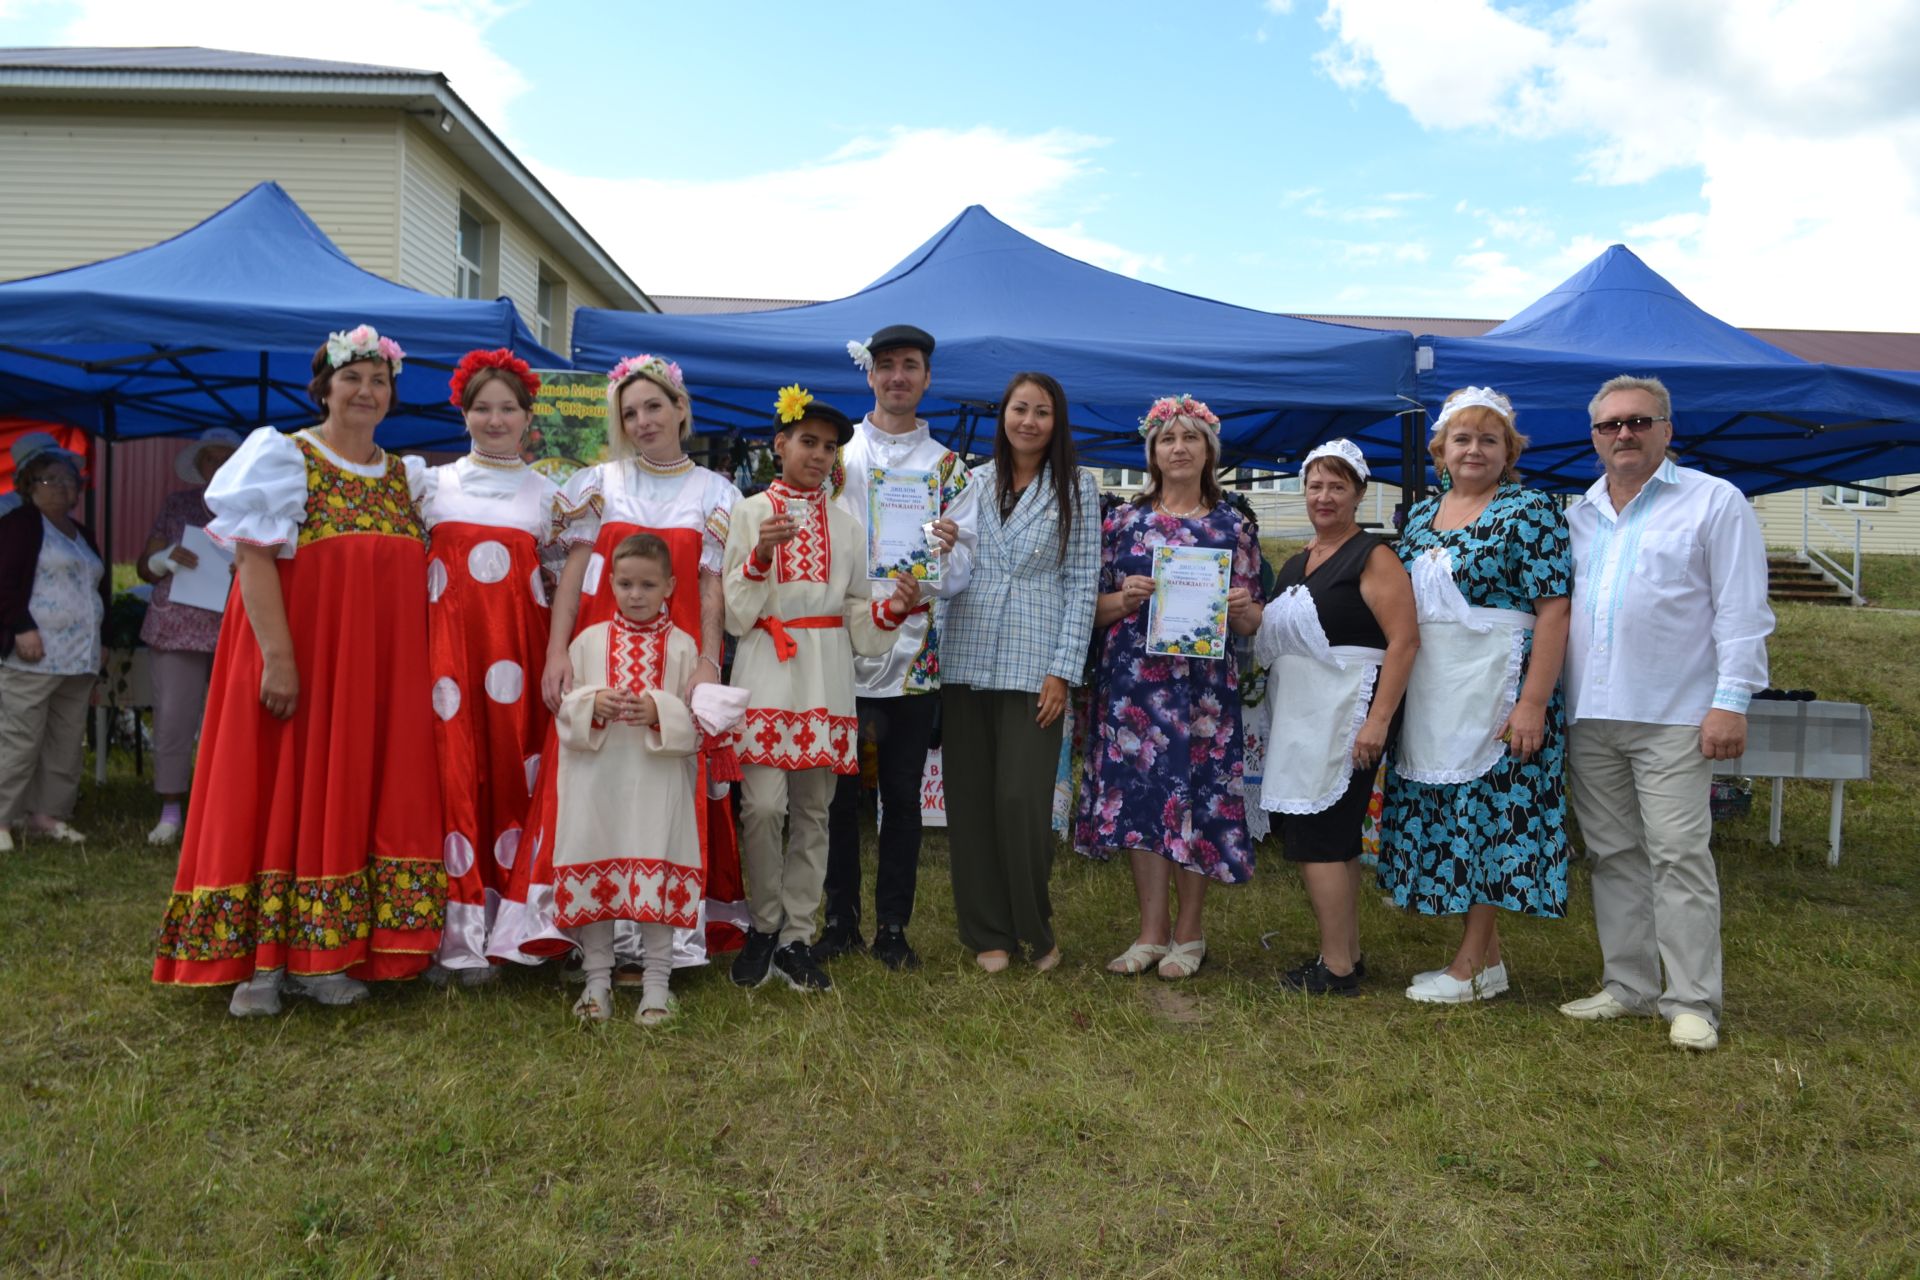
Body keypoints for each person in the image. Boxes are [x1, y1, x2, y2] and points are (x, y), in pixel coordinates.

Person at [153, 324, 446, 1015]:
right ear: (325, 388)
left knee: (350, 796)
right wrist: (280, 661)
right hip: (296, 663)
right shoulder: (286, 458)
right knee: (278, 794)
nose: (365, 392)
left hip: (374, 678)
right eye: (352, 379)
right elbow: (253, 562)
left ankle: (329, 953)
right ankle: (262, 963)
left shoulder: (408, 479)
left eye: (379, 382)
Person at [489, 354, 743, 976]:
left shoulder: (716, 493)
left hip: (673, 664)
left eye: (654, 406)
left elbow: (711, 586)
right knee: (590, 785)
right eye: (629, 413)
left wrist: (708, 663)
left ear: (681, 408)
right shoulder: (600, 483)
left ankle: (656, 938)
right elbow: (571, 579)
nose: (643, 421)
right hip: (600, 663)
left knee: (662, 788)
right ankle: (583, 933)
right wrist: (556, 653)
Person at [1558, 375, 1772, 1053]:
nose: (1625, 434)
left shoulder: (1714, 503)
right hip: (1591, 713)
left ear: (1667, 429)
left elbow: (1742, 614)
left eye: (1639, 422)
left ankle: (1691, 1001)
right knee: (1614, 855)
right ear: (1593, 437)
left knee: (1678, 855)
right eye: (1610, 425)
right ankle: (1629, 986)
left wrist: (1730, 703)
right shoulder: (1577, 515)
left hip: (1677, 712)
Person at [724, 386, 921, 994]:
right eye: (808, 441)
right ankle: (762, 923)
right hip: (766, 668)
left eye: (831, 447)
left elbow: (859, 623)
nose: (820, 455)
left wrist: (892, 609)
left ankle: (796, 938)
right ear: (779, 444)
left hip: (828, 676)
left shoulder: (848, 524)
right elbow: (734, 613)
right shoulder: (749, 511)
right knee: (761, 808)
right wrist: (760, 556)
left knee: (815, 811)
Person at [1379, 388, 1573, 1003]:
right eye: (1462, 438)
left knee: (1487, 819)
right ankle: (1487, 965)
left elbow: (1554, 609)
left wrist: (1534, 702)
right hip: (1439, 687)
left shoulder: (1530, 509)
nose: (1475, 449)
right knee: (1454, 816)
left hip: (1500, 685)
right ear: (1440, 450)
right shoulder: (1417, 518)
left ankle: (1467, 969)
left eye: (1490, 440)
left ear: (1509, 452)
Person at [1077, 395, 1263, 980]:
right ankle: (1151, 932)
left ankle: (1190, 934)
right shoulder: (1121, 523)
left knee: (1201, 802)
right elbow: (1091, 611)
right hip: (1135, 688)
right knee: (1142, 803)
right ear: (1151, 452)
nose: (1178, 448)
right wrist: (1123, 598)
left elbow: (1255, 619)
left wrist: (1239, 609)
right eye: (1166, 439)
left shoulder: (1233, 527)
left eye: (1190, 438)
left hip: (1203, 692)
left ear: (1209, 451)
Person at [821, 324, 978, 971]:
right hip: (838, 652)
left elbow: (966, 568)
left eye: (909, 366)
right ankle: (837, 921)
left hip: (914, 658)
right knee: (835, 796)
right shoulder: (838, 458)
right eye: (886, 365)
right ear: (870, 376)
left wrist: (942, 555)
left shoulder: (949, 468)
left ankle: (892, 926)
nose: (897, 377)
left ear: (927, 378)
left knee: (904, 796)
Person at [940, 372, 1099, 972]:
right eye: (1018, 409)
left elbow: (1083, 585)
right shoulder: (971, 480)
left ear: (1057, 422)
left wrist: (1063, 671)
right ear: (1002, 414)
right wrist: (944, 543)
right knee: (973, 800)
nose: (1028, 421)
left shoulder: (1078, 486)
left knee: (1020, 801)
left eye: (1042, 411)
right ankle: (988, 933)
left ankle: (1036, 928)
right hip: (968, 651)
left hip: (1036, 661)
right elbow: (947, 561)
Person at [1256, 440, 1418, 996]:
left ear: (1359, 494)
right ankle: (1344, 955)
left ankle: (1337, 969)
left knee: (1319, 837)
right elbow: (1273, 629)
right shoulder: (1300, 561)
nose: (1324, 497)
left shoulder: (1372, 556)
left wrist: (1377, 721)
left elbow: (1404, 641)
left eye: (1337, 486)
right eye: (1315, 486)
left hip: (1347, 712)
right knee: (1336, 838)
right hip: (1305, 716)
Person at [419, 350, 560, 984]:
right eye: (482, 407)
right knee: (451, 779)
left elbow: (564, 588)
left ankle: (511, 926)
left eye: (508, 407)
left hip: (521, 669)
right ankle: (454, 932)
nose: (495, 419)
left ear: (529, 417)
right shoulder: (430, 486)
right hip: (444, 662)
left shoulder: (552, 497)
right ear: (464, 412)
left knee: (512, 776)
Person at [552, 534, 703, 1025]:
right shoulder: (587, 641)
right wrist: (590, 705)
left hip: (656, 787)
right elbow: (563, 716)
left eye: (647, 584)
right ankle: (597, 982)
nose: (635, 594)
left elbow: (698, 726)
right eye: (625, 584)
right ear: (611, 584)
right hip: (596, 785)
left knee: (654, 875)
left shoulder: (684, 648)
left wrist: (660, 711)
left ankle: (657, 984)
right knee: (598, 873)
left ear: (670, 587)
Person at [135, 427, 242, 845]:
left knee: (233, 722)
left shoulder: (250, 510)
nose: (218, 466)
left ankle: (223, 806)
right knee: (174, 718)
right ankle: (171, 809)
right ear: (199, 467)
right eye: (211, 460)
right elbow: (145, 568)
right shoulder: (177, 505)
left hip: (233, 628)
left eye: (225, 459)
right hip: (176, 626)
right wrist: (164, 560)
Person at [0, 441, 103, 851]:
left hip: (79, 657)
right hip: (33, 655)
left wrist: (106, 638)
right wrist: (21, 627)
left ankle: (47, 815)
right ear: (29, 485)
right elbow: (3, 582)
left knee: (65, 739)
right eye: (50, 480)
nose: (62, 488)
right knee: (19, 737)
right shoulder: (20, 524)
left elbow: (99, 589)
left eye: (69, 481)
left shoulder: (81, 533)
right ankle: (3, 818)